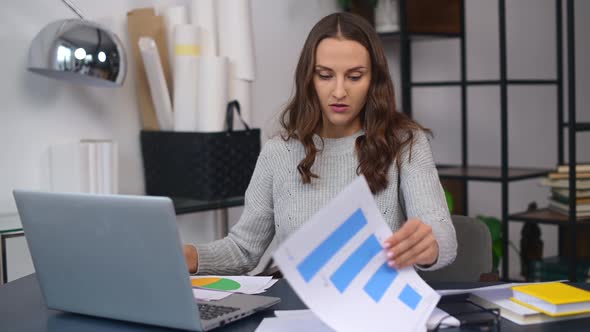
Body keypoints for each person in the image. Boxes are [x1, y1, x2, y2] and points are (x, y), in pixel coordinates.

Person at [183, 12, 457, 275]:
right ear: (309, 79)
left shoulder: (405, 143)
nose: (339, 92)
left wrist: (429, 245)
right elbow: (244, 250)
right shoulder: (279, 151)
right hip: (295, 308)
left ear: (374, 79)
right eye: (325, 76)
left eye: (354, 76)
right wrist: (190, 256)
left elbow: (440, 232)